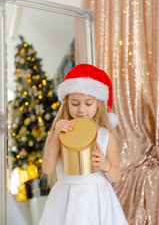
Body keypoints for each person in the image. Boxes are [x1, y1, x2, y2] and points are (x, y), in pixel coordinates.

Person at [39, 64, 128, 225]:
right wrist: (57, 137)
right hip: (65, 200)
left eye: (88, 104)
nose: (81, 110)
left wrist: (105, 164)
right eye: (74, 103)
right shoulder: (58, 132)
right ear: (66, 103)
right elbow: (48, 169)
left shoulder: (105, 135)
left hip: (97, 200)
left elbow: (116, 176)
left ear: (99, 104)